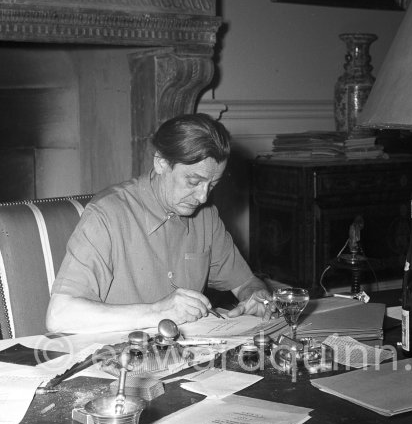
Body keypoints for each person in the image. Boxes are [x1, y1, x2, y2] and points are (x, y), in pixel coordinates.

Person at [46, 113, 272, 334]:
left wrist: (256, 296)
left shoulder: (206, 216)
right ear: (161, 163)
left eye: (213, 185)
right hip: (115, 359)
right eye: (193, 181)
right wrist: (156, 313)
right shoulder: (107, 214)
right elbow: (59, 315)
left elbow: (246, 283)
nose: (203, 197)